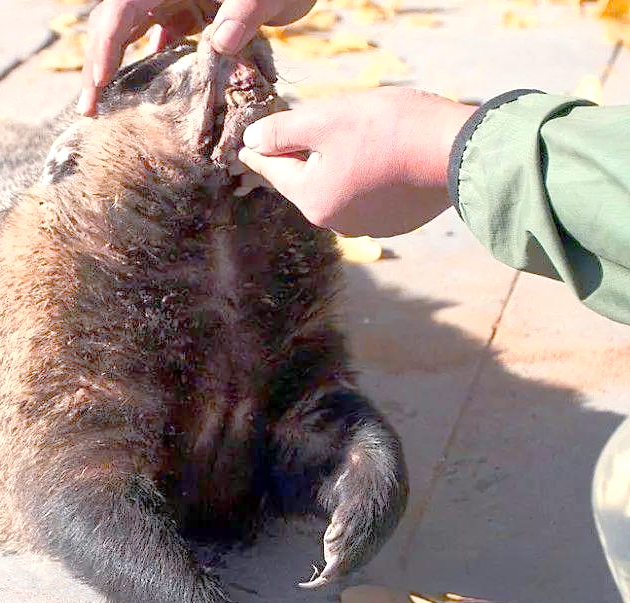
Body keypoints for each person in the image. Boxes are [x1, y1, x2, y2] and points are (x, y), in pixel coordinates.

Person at [79, 0, 630, 600]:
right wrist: (453, 151)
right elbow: (77, 481)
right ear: (72, 163)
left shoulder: (285, 257)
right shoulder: (63, 273)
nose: (222, 47)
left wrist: (449, 150)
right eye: (168, 79)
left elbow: (309, 406)